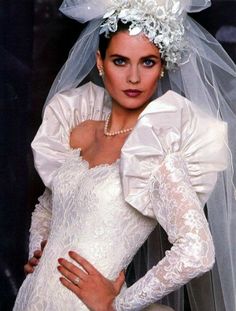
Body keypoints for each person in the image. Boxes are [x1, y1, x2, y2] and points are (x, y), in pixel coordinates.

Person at [14, 0, 236, 310]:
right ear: (100, 62)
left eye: (147, 62)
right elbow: (48, 206)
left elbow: (197, 251)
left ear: (162, 68)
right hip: (30, 299)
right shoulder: (79, 129)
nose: (133, 77)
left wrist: (118, 304)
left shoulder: (156, 150)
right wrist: (39, 249)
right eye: (120, 61)